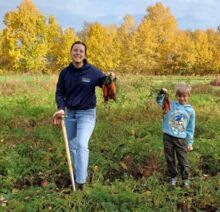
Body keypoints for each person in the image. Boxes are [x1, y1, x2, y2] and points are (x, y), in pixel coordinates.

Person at [53, 41, 115, 190]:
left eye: (81, 51)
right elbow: (59, 92)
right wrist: (61, 108)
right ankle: (78, 175)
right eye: (75, 50)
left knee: (81, 144)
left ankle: (81, 182)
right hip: (69, 114)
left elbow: (104, 83)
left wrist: (111, 78)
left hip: (86, 114)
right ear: (71, 52)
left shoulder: (92, 71)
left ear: (84, 54)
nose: (78, 53)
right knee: (73, 148)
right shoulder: (65, 73)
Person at [156, 82, 195, 188]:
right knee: (170, 159)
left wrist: (190, 143)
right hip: (168, 137)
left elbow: (190, 129)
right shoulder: (170, 104)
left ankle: (185, 179)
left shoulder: (190, 111)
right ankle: (173, 177)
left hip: (181, 140)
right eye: (179, 96)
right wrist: (162, 93)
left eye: (184, 96)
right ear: (176, 96)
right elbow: (159, 101)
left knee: (183, 161)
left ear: (188, 96)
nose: (182, 98)